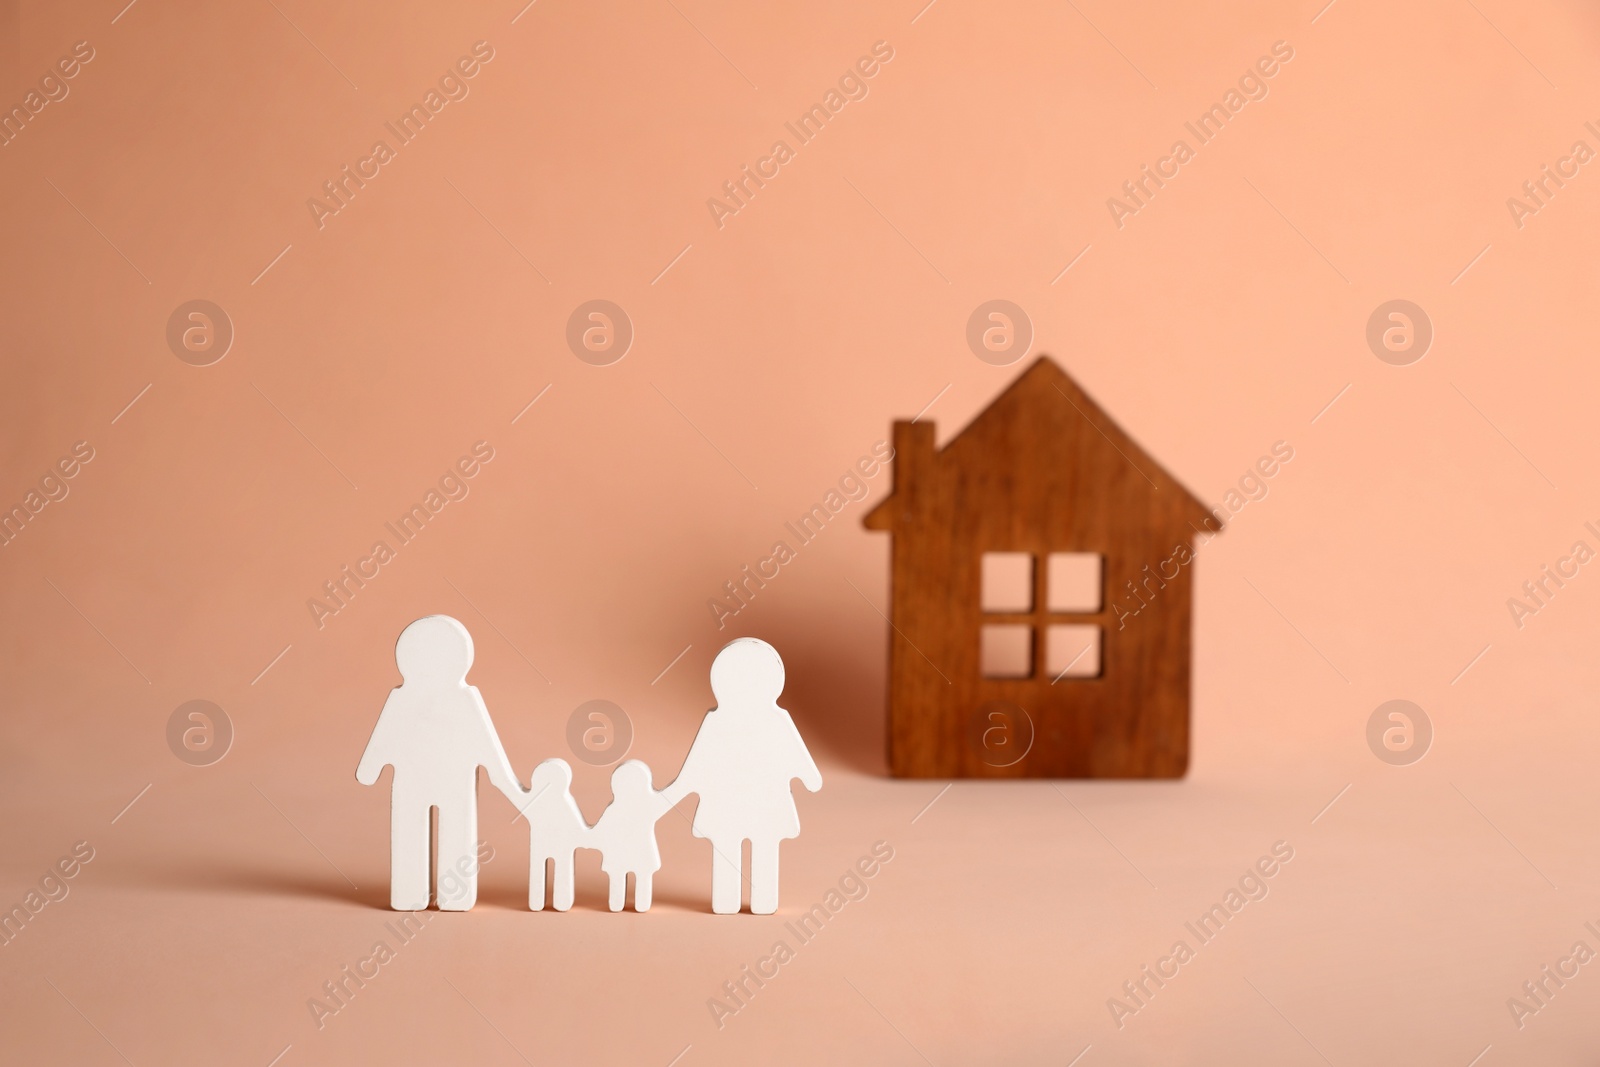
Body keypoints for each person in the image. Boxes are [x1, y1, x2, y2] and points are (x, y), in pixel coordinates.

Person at [356, 615, 523, 911]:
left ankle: (439, 895)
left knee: (448, 833)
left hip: (440, 786)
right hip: (424, 786)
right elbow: (385, 739)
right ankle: (424, 894)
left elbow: (484, 744)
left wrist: (370, 770)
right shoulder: (405, 699)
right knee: (420, 831)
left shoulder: (461, 699)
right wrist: (506, 782)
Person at [661, 638, 822, 914]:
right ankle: (738, 901)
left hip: (747, 805)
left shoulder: (772, 720)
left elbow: (694, 770)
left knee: (758, 847)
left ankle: (756, 900)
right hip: (740, 805)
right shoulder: (733, 722)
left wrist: (675, 791)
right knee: (738, 846)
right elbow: (697, 766)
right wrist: (808, 779)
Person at [590, 760, 672, 912]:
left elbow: (598, 831)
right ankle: (627, 903)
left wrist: (586, 837)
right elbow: (669, 797)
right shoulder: (642, 806)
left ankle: (625, 903)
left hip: (628, 855)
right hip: (633, 855)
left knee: (634, 877)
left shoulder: (621, 809)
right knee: (631, 877)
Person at [521, 758, 590, 911]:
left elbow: (576, 826)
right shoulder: (549, 802)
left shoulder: (542, 802)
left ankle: (548, 901)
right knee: (552, 869)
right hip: (551, 846)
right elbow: (578, 827)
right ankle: (548, 901)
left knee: (554, 869)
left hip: (556, 846)